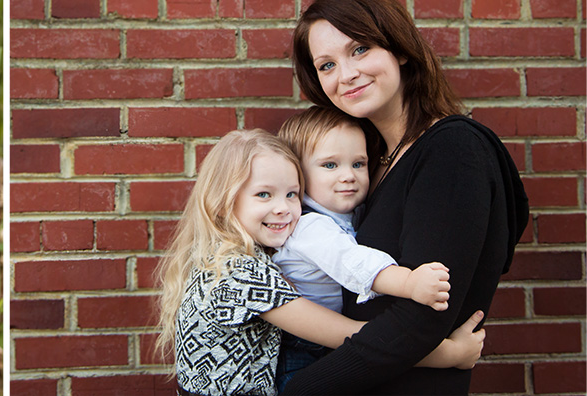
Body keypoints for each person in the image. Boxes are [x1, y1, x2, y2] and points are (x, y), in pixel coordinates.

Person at [283, 0, 529, 394]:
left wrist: (301, 390)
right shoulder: (368, 165)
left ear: (398, 49)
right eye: (326, 65)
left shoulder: (453, 150)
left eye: (359, 49)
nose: (345, 74)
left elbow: (421, 318)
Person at [155, 128, 485, 396]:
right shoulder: (240, 273)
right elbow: (353, 338)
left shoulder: (217, 255)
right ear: (223, 202)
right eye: (263, 195)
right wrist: (449, 355)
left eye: (292, 194)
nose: (284, 208)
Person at [272, 107, 450, 386]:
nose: (348, 176)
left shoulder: (348, 213)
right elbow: (353, 263)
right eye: (330, 165)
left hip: (330, 342)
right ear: (297, 175)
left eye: (358, 164)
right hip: (302, 352)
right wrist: (410, 283)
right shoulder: (310, 228)